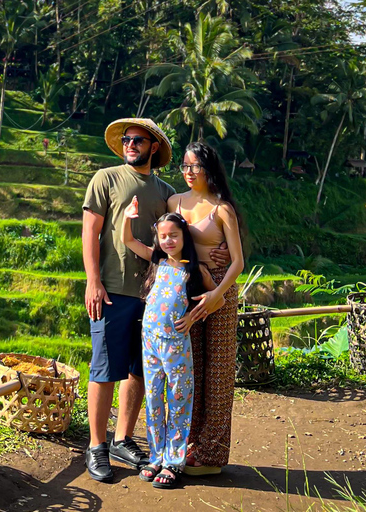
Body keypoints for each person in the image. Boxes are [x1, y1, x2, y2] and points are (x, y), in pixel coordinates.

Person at [82, 118, 175, 483]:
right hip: (112, 289)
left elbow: (176, 241)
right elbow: (90, 231)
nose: (130, 144)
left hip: (153, 295)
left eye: (138, 140)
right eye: (127, 139)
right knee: (104, 367)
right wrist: (93, 281)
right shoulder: (106, 179)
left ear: (154, 147)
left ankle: (122, 439)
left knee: (140, 368)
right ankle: (96, 445)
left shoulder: (165, 192)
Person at [121, 199, 216, 489]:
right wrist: (127, 216)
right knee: (153, 401)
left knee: (177, 402)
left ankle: (174, 463)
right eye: (163, 236)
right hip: (149, 344)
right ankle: (156, 457)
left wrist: (193, 317)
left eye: (173, 235)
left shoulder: (195, 271)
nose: (168, 240)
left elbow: (217, 298)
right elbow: (127, 239)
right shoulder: (157, 261)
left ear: (184, 236)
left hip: (176, 346)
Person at [167, 142, 245, 476]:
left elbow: (238, 262)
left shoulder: (222, 209)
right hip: (186, 291)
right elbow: (164, 240)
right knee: (190, 367)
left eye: (194, 166)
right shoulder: (174, 202)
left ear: (208, 169)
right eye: (184, 165)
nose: (188, 171)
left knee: (219, 372)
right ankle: (189, 443)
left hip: (220, 295)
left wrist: (218, 296)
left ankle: (211, 454)